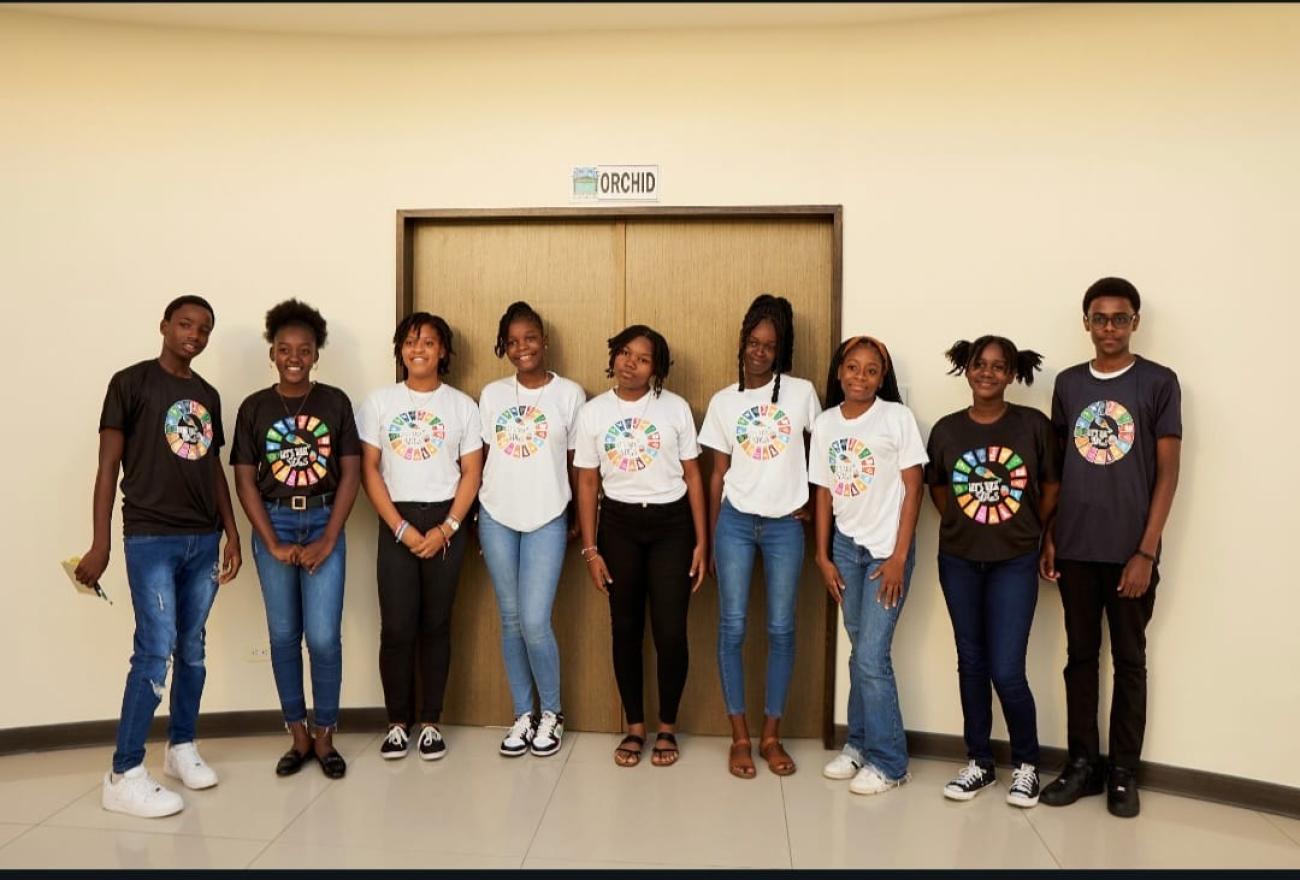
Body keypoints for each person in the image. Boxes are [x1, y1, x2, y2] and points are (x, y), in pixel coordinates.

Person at [78, 295, 242, 818]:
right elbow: (108, 468)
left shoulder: (208, 395)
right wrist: (101, 542)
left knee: (191, 648)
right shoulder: (130, 383)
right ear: (165, 326)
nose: (194, 334)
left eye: (204, 328)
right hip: (150, 537)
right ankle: (123, 772)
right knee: (154, 650)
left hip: (203, 538)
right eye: (186, 324)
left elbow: (211, 467)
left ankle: (181, 747)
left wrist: (231, 531)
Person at [1039, 277, 1181, 818]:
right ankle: (1083, 766)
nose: (1109, 328)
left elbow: (1168, 473)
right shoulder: (1069, 384)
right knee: (1079, 660)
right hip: (1075, 546)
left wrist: (1146, 552)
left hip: (1130, 553)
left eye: (1120, 318)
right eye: (1100, 318)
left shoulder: (1159, 382)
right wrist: (1050, 534)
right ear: (1087, 323)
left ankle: (1124, 772)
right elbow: (1059, 471)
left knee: (1130, 662)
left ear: (1135, 322)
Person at [925, 335, 1059, 807]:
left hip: (1014, 561)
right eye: (979, 364)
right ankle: (979, 762)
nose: (987, 373)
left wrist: (1032, 534)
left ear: (1012, 373)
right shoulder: (945, 430)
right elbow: (940, 492)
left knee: (1006, 669)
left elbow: (1050, 487)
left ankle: (1026, 764)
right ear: (967, 368)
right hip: (959, 560)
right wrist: (973, 525)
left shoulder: (1033, 426)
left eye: (998, 367)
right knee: (972, 663)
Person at [231, 299, 361, 779]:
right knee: (284, 636)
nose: (293, 357)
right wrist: (271, 541)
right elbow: (245, 481)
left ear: (315, 355)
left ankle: (325, 734)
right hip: (275, 523)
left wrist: (329, 538)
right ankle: (298, 735)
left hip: (324, 519)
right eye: (284, 348)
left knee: (324, 637)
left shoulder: (335, 402)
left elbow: (350, 474)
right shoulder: (254, 407)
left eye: (304, 350)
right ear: (272, 352)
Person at [574, 325, 707, 768]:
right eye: (624, 353)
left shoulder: (675, 409)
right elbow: (588, 482)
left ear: (657, 369)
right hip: (618, 526)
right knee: (625, 629)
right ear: (613, 356)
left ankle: (667, 726)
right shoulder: (593, 413)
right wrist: (590, 550)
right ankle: (634, 727)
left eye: (643, 358)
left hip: (672, 526)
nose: (630, 363)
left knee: (670, 632)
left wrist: (702, 541)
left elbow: (693, 476)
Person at [699, 294, 821, 778]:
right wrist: (708, 537)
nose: (759, 352)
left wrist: (811, 501)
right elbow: (715, 474)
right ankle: (740, 737)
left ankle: (771, 734)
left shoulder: (801, 393)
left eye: (769, 346)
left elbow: (823, 451)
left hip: (785, 526)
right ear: (742, 342)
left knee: (781, 629)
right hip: (734, 523)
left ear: (781, 349)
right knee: (731, 627)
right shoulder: (724, 401)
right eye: (753, 342)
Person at [357, 312, 483, 762]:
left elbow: (472, 471)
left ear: (443, 351)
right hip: (397, 519)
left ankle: (430, 722)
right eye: (410, 342)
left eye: (428, 342)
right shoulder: (378, 403)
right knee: (396, 627)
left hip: (447, 522)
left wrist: (448, 526)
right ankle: (397, 723)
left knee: (436, 625)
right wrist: (401, 528)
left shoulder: (462, 406)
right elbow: (369, 469)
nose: (419, 349)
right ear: (400, 349)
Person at [811, 335, 926, 795]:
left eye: (871, 370)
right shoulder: (824, 424)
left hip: (885, 552)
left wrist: (899, 556)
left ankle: (890, 761)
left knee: (873, 658)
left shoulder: (896, 418)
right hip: (845, 550)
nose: (860, 377)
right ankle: (857, 744)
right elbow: (821, 490)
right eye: (852, 368)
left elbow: (913, 489)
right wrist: (821, 555)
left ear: (883, 377)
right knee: (860, 653)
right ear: (839, 372)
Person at [477, 302, 585, 758]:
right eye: (514, 340)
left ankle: (552, 713)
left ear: (545, 341)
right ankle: (524, 713)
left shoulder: (570, 395)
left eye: (531, 337)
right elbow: (482, 458)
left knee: (536, 620)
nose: (524, 347)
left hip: (548, 516)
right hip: (497, 515)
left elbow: (579, 464)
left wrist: (580, 514)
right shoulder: (492, 394)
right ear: (504, 346)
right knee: (511, 619)